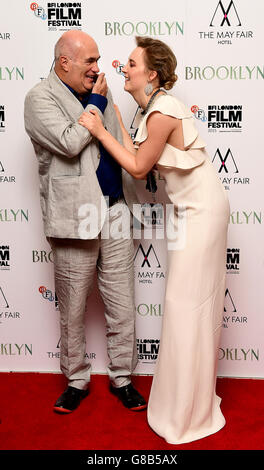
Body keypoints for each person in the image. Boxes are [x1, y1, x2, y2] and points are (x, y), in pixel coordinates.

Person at [78, 36, 230, 444]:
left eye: (131, 63)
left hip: (202, 212)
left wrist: (96, 129)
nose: (123, 67)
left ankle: (188, 412)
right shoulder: (153, 111)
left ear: (152, 74)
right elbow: (135, 151)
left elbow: (139, 164)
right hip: (189, 212)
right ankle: (185, 403)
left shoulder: (163, 111)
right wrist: (107, 112)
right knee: (187, 308)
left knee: (187, 307)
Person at [24, 30, 147, 414]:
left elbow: (111, 136)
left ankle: (122, 377)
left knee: (122, 303)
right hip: (73, 215)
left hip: (113, 210)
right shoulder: (39, 98)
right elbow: (70, 141)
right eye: (90, 61)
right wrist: (96, 100)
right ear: (65, 62)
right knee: (73, 307)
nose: (97, 68)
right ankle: (76, 379)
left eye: (97, 60)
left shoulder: (98, 92)